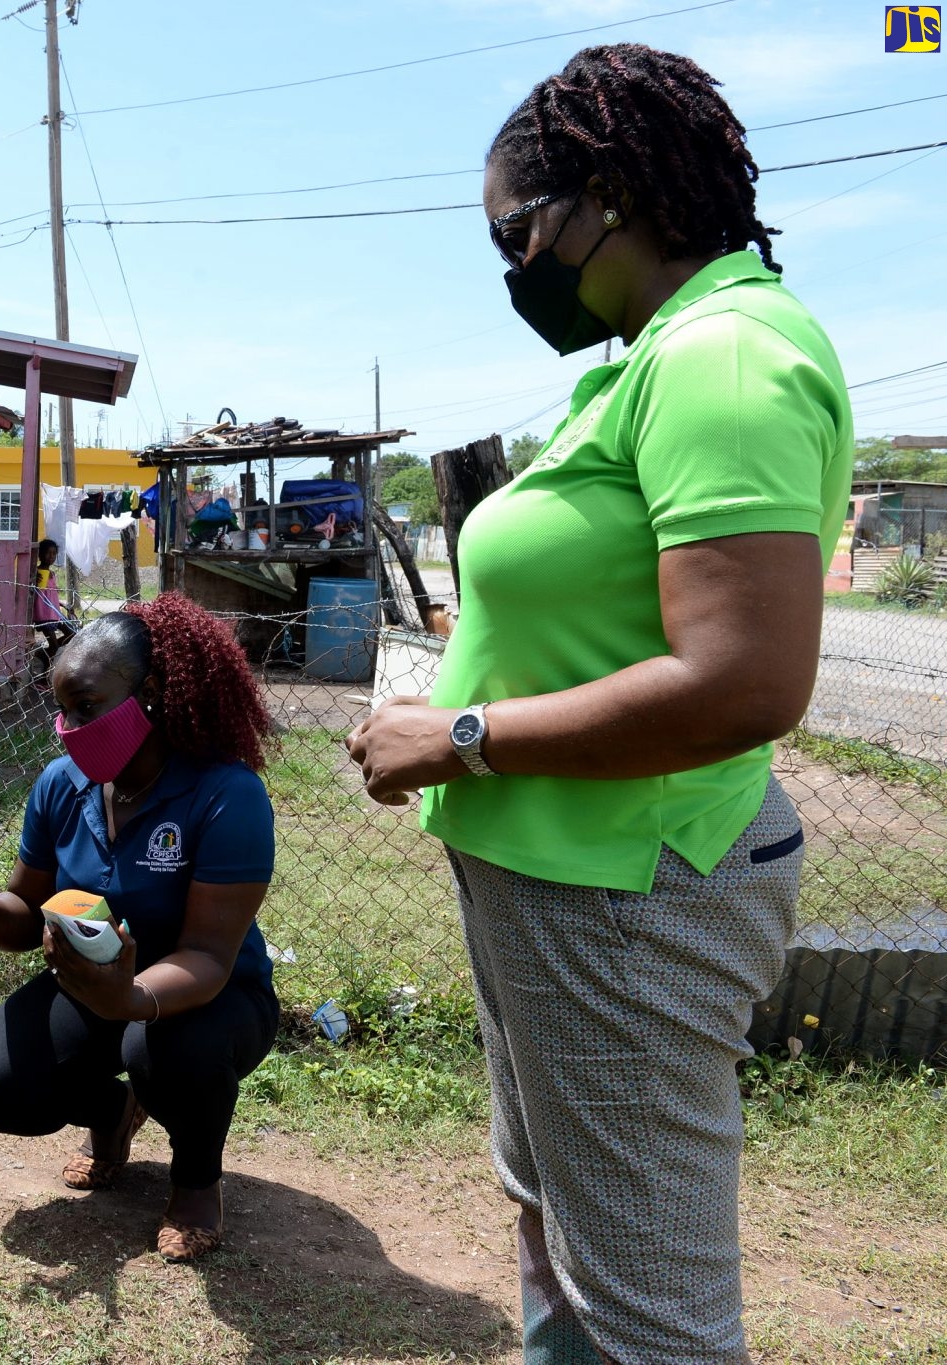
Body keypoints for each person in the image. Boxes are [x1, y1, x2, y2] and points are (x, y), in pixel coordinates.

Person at [348, 44, 851, 1365]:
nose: (512, 269)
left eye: (515, 234)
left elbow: (743, 679)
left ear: (611, 195)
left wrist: (458, 732)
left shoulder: (728, 360)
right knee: (552, 1218)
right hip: (549, 868)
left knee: (653, 1318)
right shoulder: (648, 362)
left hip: (629, 890)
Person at [0, 595, 279, 1261]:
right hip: (94, 988)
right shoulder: (60, 786)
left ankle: (195, 1179)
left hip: (209, 998)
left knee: (157, 1050)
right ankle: (113, 1114)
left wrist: (131, 1001)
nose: (66, 726)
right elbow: (22, 911)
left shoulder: (225, 795)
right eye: (60, 707)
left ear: (149, 693)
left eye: (86, 705)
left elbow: (209, 954)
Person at [31, 538, 73, 669]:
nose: (51, 556)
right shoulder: (35, 573)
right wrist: (33, 580)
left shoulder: (52, 574)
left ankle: (44, 653)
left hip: (55, 613)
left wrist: (62, 604)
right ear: (40, 554)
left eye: (54, 553)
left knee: (72, 634)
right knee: (54, 646)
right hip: (43, 615)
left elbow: (51, 595)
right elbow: (33, 591)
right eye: (48, 553)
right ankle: (44, 674)